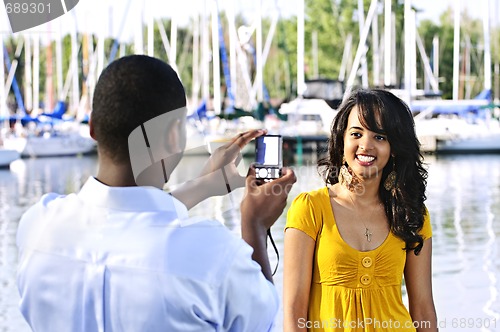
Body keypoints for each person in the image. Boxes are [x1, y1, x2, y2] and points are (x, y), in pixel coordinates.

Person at [16, 55, 296, 331]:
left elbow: (127, 221)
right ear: (174, 135)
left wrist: (203, 186)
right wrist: (254, 225)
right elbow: (264, 319)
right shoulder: (215, 257)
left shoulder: (38, 226)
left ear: (92, 128)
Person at [283, 89, 437, 332]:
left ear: (395, 147)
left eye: (380, 137)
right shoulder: (310, 209)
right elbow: (293, 314)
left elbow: (423, 309)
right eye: (356, 133)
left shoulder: (412, 213)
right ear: (342, 139)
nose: (365, 145)